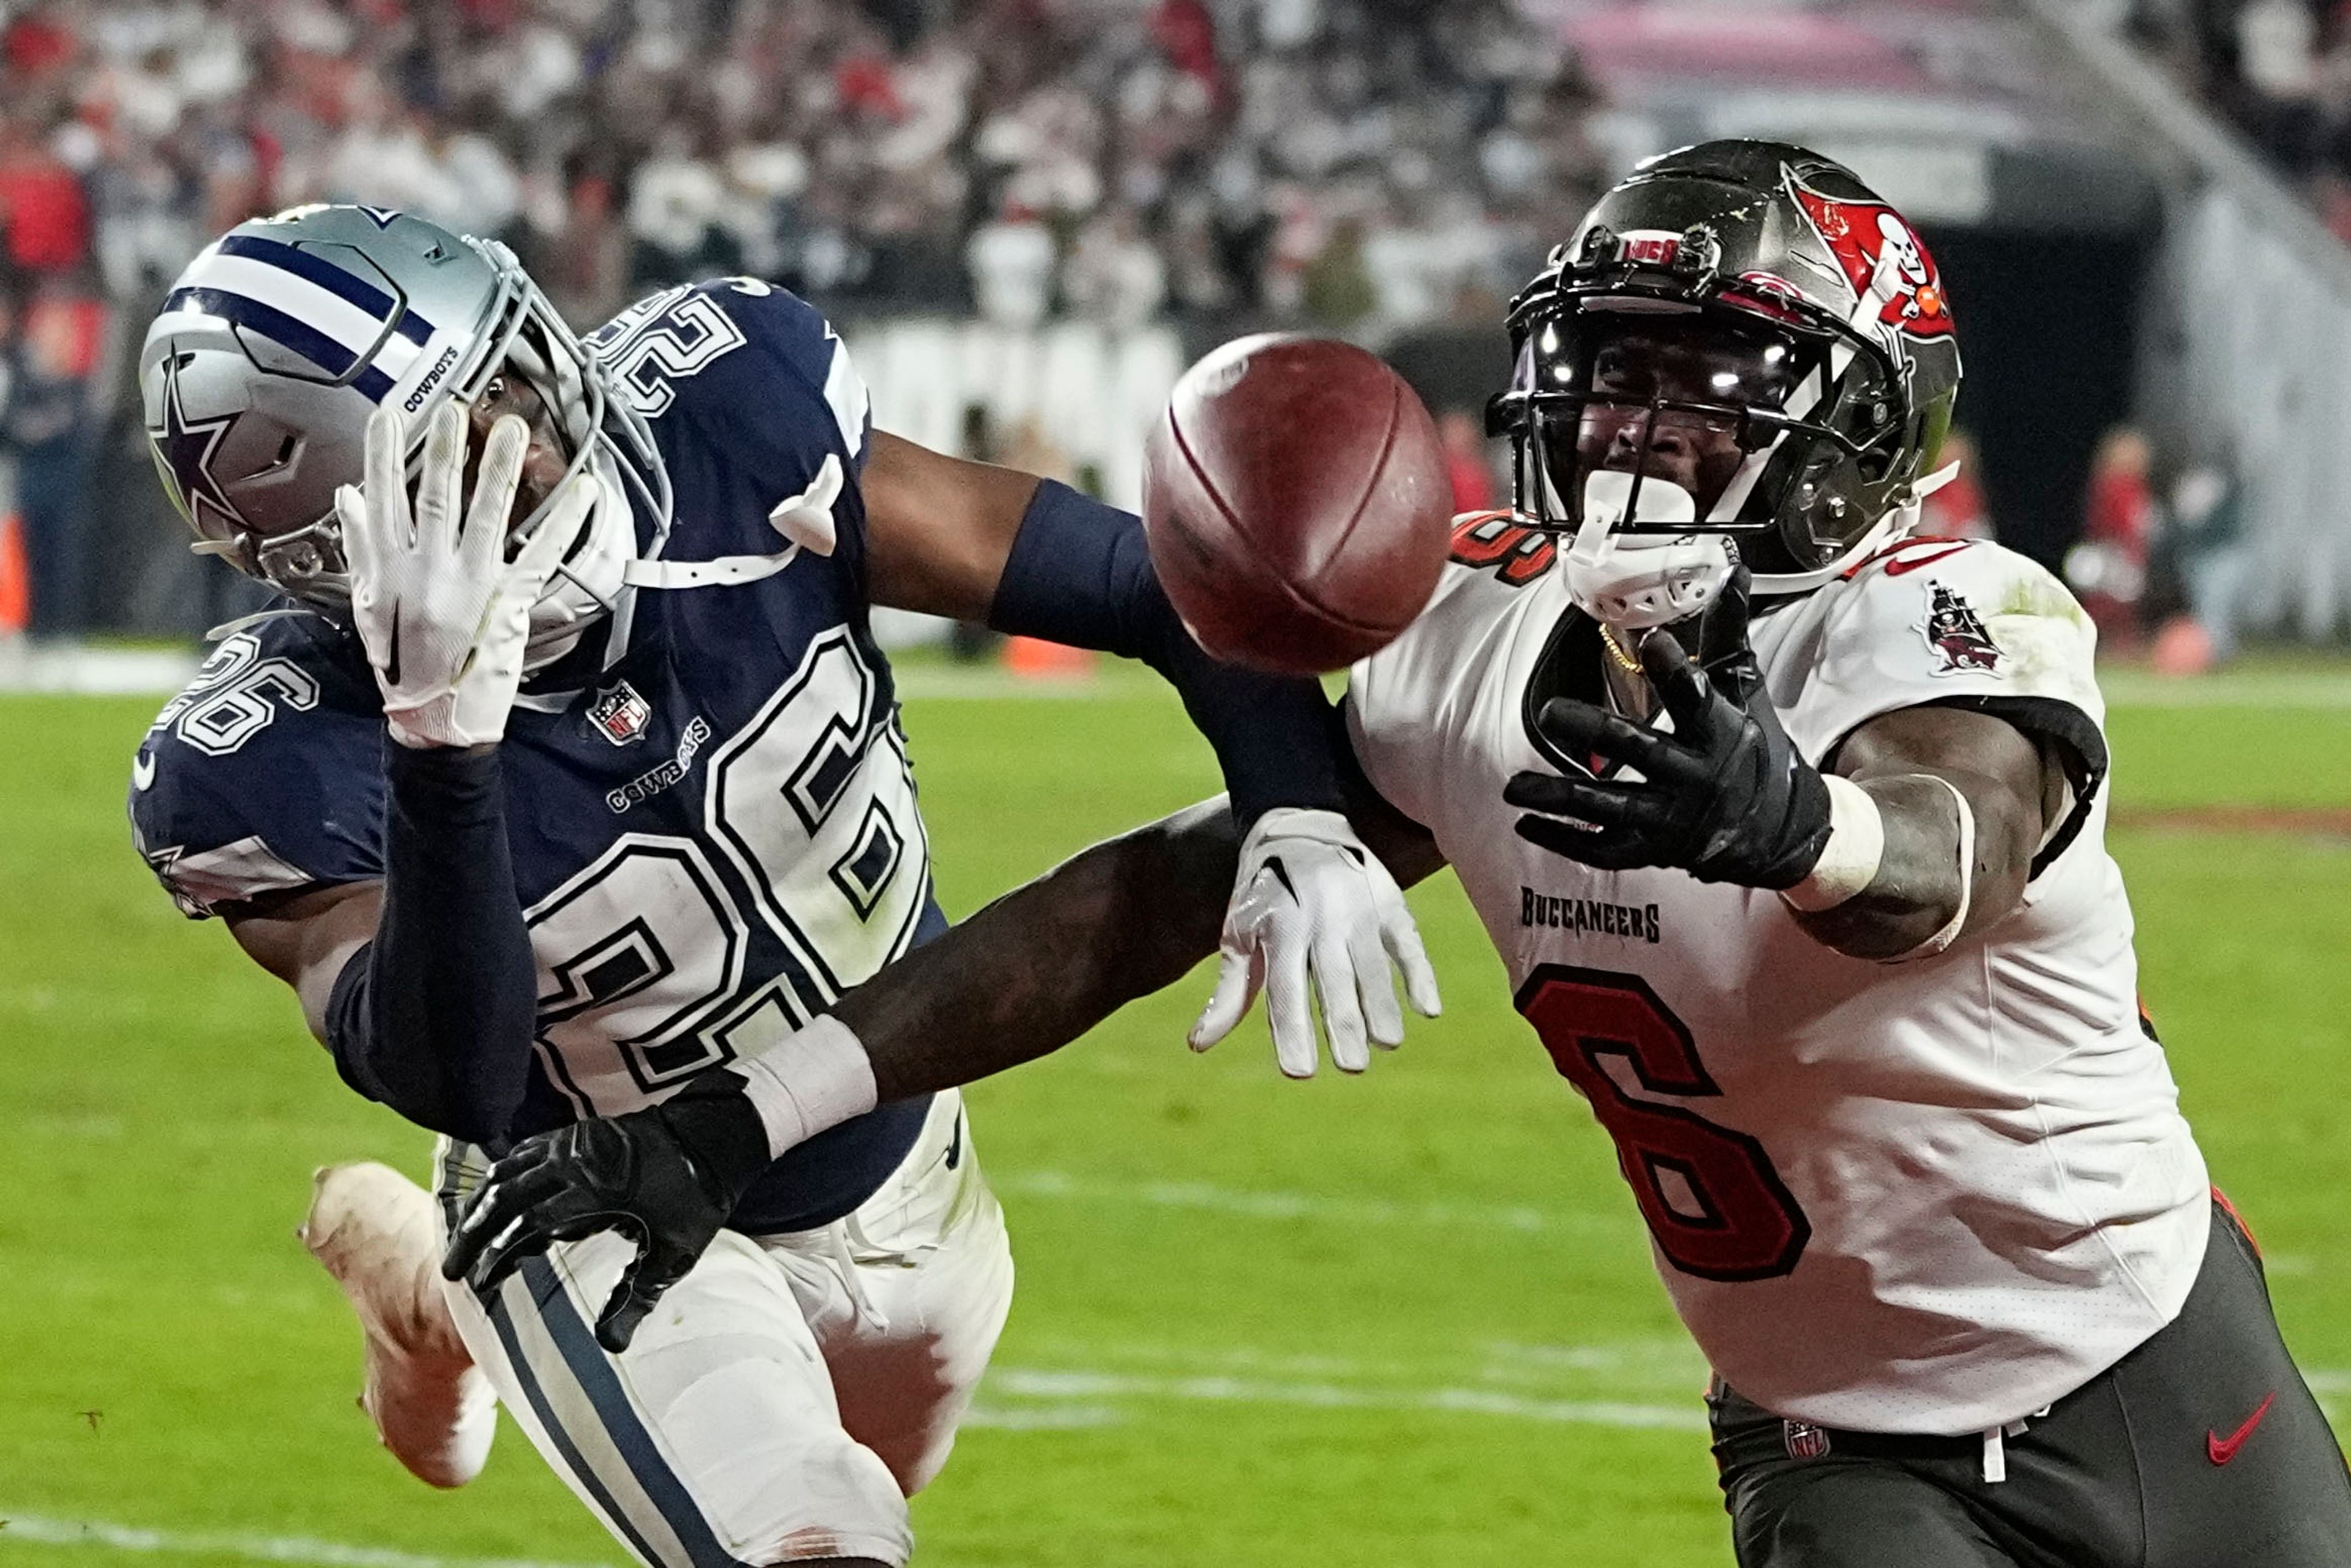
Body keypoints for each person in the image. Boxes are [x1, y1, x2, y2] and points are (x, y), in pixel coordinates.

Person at [457, 143, 2351, 1568]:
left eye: (1705, 382)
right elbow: (1137, 903)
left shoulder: (1949, 619)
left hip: (2148, 1349)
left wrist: (1797, 824)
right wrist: (734, 1118)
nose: (1631, 427)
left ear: (1852, 430)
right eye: (1612, 372)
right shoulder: (1474, 639)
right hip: (1838, 1435)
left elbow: (1956, 843)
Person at [127, 204, 1437, 1564]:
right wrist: (442, 747)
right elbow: (450, 1071)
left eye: (521, 375)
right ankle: (482, 1284)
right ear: (336, 539)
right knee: (817, 1540)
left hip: (906, 1162)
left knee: (875, 1477)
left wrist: (1295, 807)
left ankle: (423, 1294)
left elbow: (1157, 581)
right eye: (473, 437)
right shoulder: (272, 755)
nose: (542, 436)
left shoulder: (726, 425)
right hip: (609, 1208)